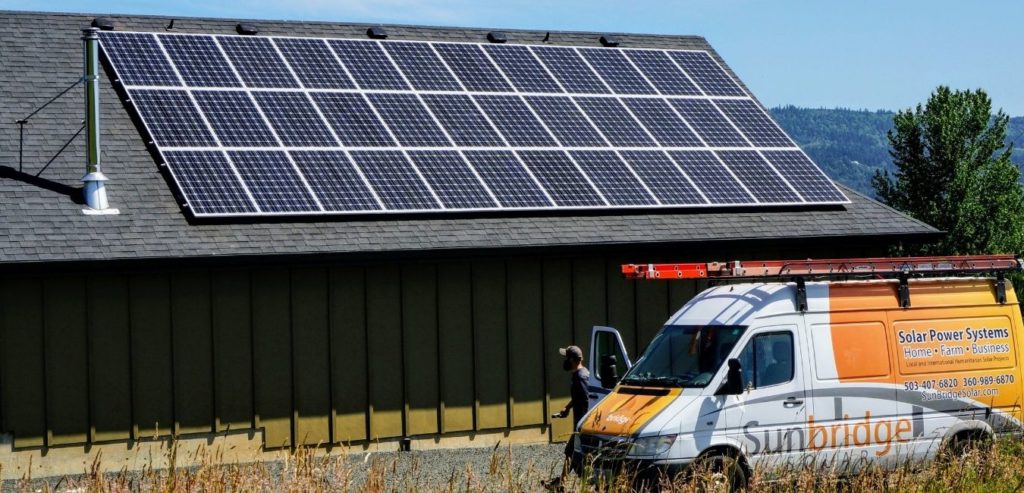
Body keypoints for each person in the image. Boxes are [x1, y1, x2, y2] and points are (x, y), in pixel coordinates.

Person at [550, 345, 591, 481]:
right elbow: (578, 397)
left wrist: (582, 424)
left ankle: (562, 483)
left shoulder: (581, 377)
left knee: (572, 452)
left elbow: (585, 399)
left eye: (567, 357)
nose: (565, 360)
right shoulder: (580, 374)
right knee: (572, 452)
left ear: (573, 359)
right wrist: (567, 407)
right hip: (579, 424)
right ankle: (561, 482)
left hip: (581, 424)